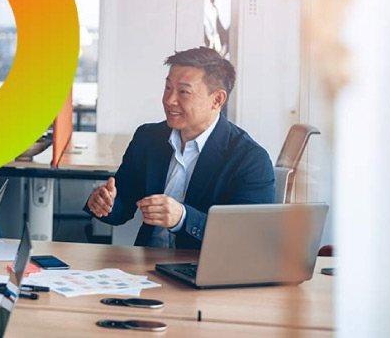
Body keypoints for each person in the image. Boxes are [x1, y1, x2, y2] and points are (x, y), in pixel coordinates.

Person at [85, 47, 274, 249]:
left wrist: (183, 218)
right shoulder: (148, 138)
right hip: (146, 265)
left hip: (204, 271)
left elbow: (248, 235)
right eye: (168, 88)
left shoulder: (250, 158)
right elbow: (122, 205)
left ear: (217, 99)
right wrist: (106, 203)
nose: (169, 100)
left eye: (183, 92)